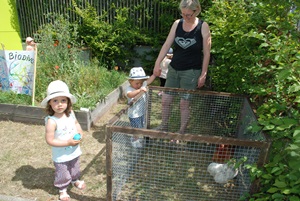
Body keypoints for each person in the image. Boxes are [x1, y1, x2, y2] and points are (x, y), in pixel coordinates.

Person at [153, 0, 211, 134]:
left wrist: (203, 73)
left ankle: (181, 132)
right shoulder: (177, 24)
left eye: (189, 15)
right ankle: (164, 126)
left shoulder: (203, 26)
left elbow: (207, 53)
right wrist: (157, 63)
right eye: (183, 14)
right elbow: (167, 45)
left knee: (184, 104)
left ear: (196, 11)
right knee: (165, 100)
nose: (185, 17)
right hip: (174, 69)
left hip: (191, 72)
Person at [41, 80, 86, 201]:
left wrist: (80, 133)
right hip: (61, 155)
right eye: (55, 100)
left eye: (63, 100)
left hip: (74, 151)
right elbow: (50, 140)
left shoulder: (70, 113)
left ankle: (75, 180)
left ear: (68, 101)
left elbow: (76, 124)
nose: (60, 104)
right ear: (49, 103)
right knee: (63, 172)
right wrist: (67, 143)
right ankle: (62, 189)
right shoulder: (51, 121)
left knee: (75, 167)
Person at [126, 67, 156, 148]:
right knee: (136, 129)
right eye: (137, 83)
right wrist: (139, 91)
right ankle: (134, 141)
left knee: (141, 126)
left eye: (141, 83)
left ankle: (137, 138)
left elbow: (149, 81)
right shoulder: (129, 89)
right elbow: (130, 95)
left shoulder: (142, 85)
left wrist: (155, 74)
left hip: (141, 112)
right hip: (134, 115)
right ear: (130, 81)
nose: (139, 85)